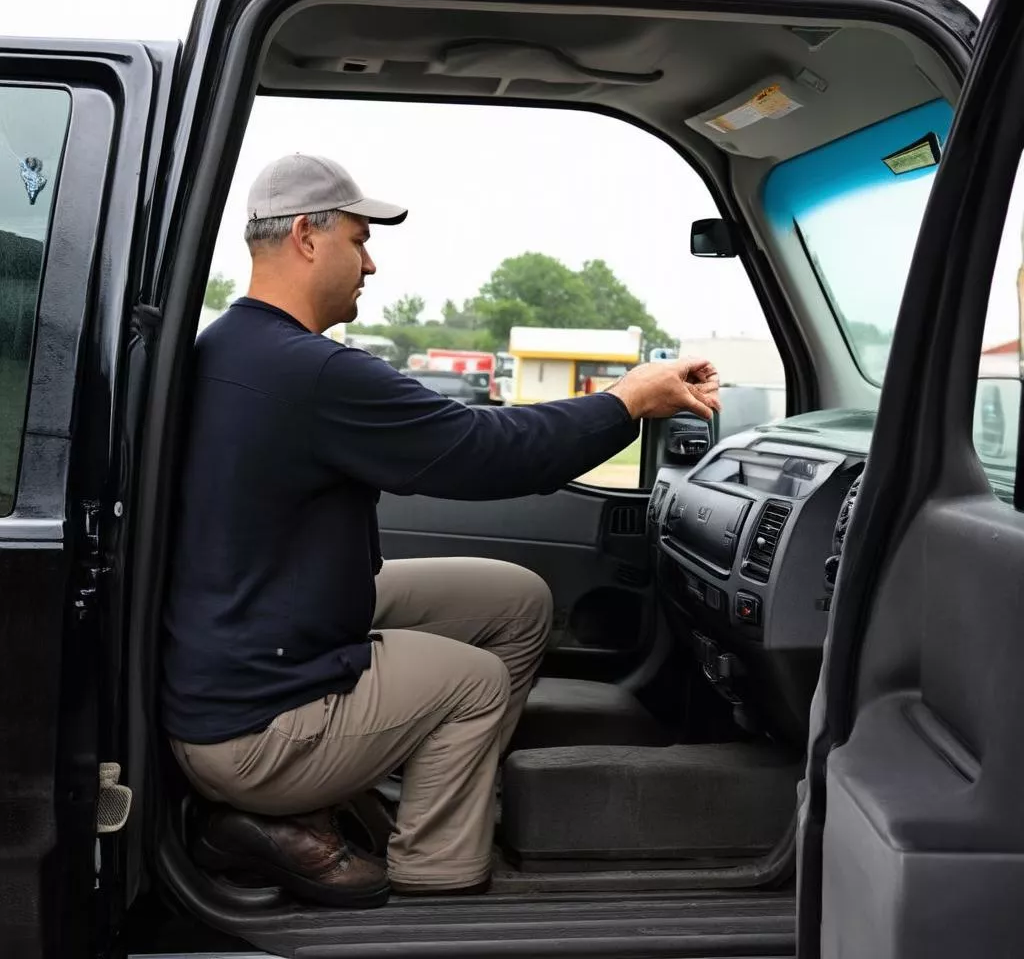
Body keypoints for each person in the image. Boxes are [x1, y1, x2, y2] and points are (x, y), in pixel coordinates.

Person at [163, 153, 721, 908]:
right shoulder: (310, 372)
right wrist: (626, 401)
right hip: (256, 725)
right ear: (304, 236)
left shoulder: (233, 346)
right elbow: (487, 453)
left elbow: (471, 436)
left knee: (514, 600)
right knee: (475, 683)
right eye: (358, 240)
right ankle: (436, 871)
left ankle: (429, 788)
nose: (371, 263)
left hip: (257, 641)